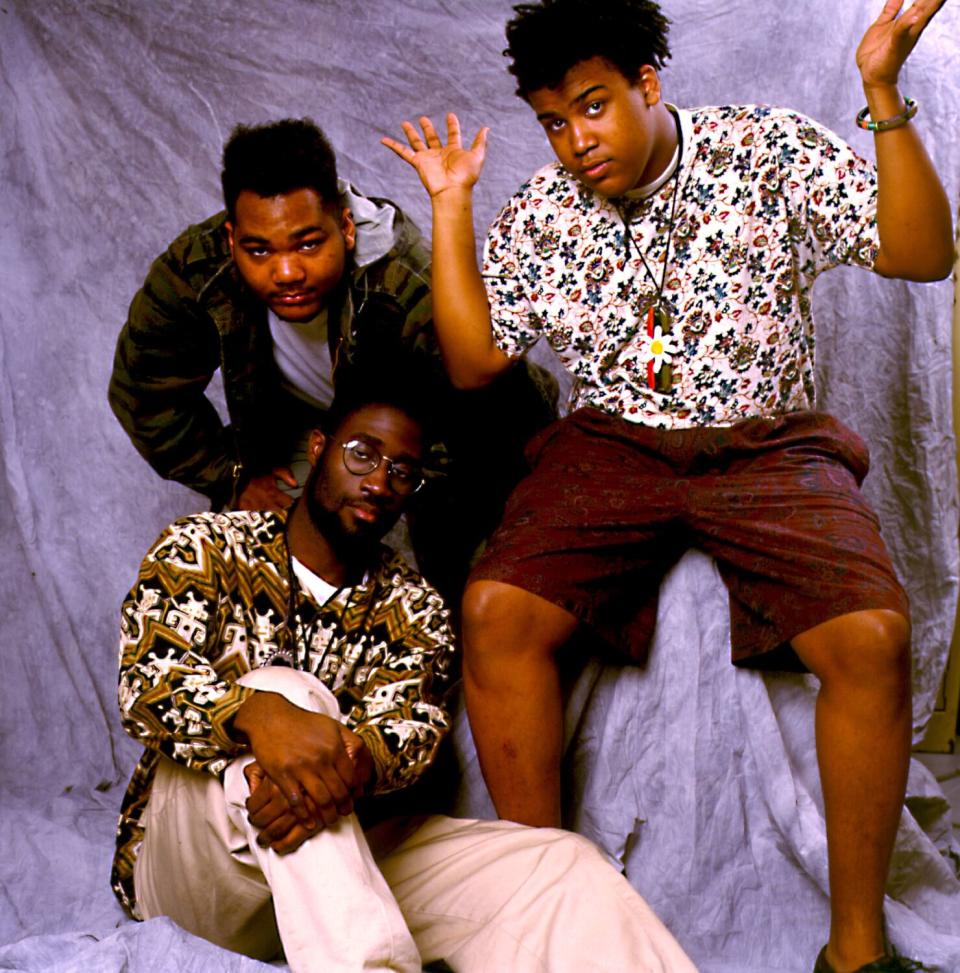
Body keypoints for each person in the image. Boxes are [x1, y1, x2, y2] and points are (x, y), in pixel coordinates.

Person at [382, 0, 954, 970]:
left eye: (594, 107)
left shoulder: (763, 150)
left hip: (765, 442)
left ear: (649, 82)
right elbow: (476, 359)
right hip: (612, 448)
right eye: (554, 120)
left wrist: (882, 93)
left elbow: (923, 252)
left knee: (873, 635)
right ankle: (543, 917)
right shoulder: (546, 213)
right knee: (494, 611)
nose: (576, 140)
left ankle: (856, 948)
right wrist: (449, 206)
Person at [110, 379, 697, 973]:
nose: (378, 483)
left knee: (560, 865)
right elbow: (146, 684)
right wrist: (264, 716)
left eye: (402, 472)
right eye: (362, 454)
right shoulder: (204, 547)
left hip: (343, 876)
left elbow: (408, 736)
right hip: (196, 875)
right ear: (319, 448)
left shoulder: (415, 606)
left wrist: (342, 760)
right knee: (288, 693)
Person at [107, 117, 555, 599]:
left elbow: (493, 423)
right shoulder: (198, 269)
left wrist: (403, 492)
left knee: (471, 593)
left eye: (307, 244)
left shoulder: (408, 285)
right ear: (233, 238)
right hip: (312, 430)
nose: (285, 272)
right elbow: (144, 392)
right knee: (258, 570)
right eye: (258, 250)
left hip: (450, 441)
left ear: (344, 226)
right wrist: (232, 475)